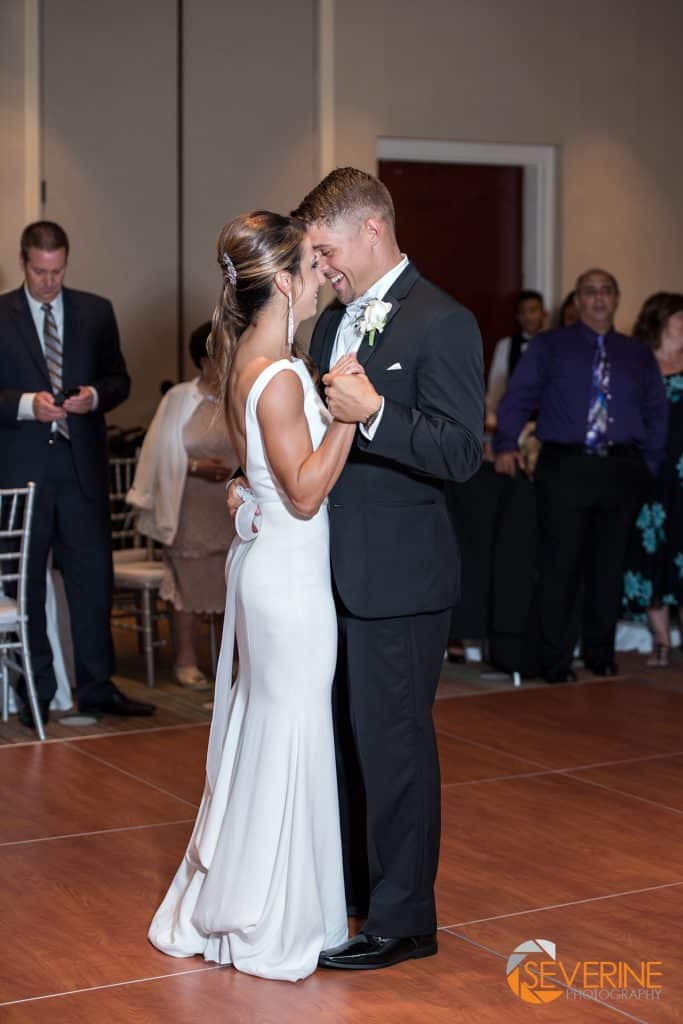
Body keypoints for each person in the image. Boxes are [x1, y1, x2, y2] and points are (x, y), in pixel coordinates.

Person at [149, 211, 367, 982]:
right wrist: (351, 416)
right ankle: (275, 917)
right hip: (289, 578)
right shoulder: (277, 374)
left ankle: (265, 899)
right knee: (291, 731)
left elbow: (257, 478)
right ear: (281, 280)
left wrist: (248, 491)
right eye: (312, 265)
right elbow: (305, 492)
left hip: (272, 565)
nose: (322, 276)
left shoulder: (249, 358)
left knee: (274, 731)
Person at [291, 167, 484, 970]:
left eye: (327, 249)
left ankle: (405, 919)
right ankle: (358, 895)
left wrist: (376, 416)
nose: (323, 267)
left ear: (372, 229)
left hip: (401, 579)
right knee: (344, 743)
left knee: (395, 748)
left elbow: (461, 452)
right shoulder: (330, 323)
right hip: (324, 575)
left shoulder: (444, 321)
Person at [0, 220, 154, 727]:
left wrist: (94, 397)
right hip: (23, 474)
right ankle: (38, 692)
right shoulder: (1, 314)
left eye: (58, 271)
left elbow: (120, 380)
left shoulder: (95, 311)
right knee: (28, 588)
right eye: (41, 271)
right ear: (25, 262)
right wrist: (26, 405)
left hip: (82, 467)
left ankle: (97, 688)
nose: (50, 281)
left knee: (94, 583)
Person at [493, 268, 668, 683]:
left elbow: (656, 411)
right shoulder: (551, 346)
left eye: (606, 290)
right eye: (589, 291)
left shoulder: (636, 354)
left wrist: (650, 464)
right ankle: (554, 660)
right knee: (560, 565)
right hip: (565, 466)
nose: (598, 298)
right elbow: (518, 397)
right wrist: (505, 444)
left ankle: (600, 653)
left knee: (608, 567)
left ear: (617, 297)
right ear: (576, 301)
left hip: (621, 467)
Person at [127, 321, 237, 689]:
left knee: (230, 586)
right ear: (205, 360)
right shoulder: (179, 398)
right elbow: (158, 453)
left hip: (230, 506)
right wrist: (194, 466)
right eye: (223, 352)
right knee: (188, 590)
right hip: (189, 504)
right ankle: (186, 660)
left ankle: (228, 662)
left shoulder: (238, 394)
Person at [622, 292, 683, 666]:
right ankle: (661, 640)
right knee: (651, 551)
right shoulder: (636, 363)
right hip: (650, 472)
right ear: (660, 320)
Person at [485, 289, 546, 426]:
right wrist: (492, 416)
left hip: (549, 419)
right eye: (523, 312)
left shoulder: (555, 343)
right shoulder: (506, 345)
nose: (528, 317)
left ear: (543, 313)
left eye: (533, 310)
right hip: (515, 419)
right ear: (518, 316)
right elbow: (496, 385)